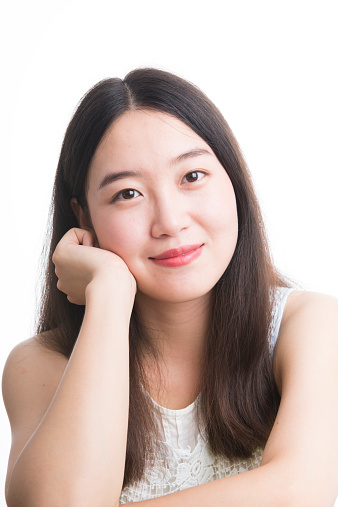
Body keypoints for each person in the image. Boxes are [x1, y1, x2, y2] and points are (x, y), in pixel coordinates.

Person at [2, 68, 338, 507]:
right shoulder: (42, 363)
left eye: (192, 177)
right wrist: (109, 292)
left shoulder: (311, 325)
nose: (170, 221)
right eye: (127, 194)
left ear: (232, 180)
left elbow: (302, 490)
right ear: (83, 218)